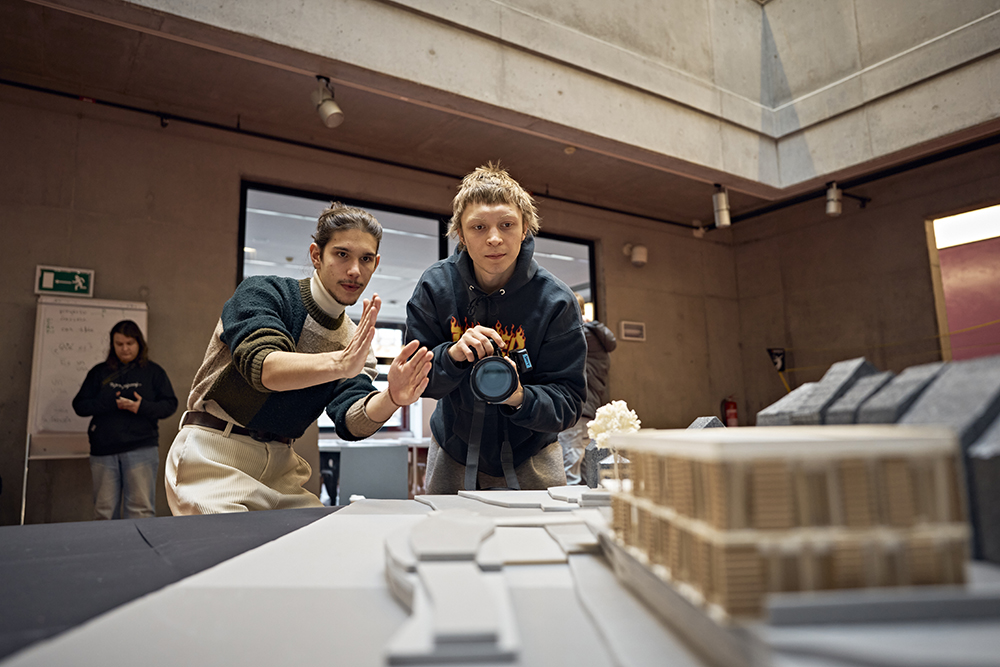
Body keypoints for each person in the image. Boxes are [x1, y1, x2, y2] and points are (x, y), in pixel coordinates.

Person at [165, 203, 432, 514]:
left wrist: (392, 398)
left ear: (376, 263)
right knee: (231, 544)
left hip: (283, 466)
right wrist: (339, 363)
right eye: (342, 254)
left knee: (321, 541)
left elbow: (351, 421)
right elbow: (265, 368)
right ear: (316, 255)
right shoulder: (264, 293)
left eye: (366, 259)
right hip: (215, 452)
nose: (354, 270)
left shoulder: (355, 341)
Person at [406, 163, 587, 493]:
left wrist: (519, 396)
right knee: (444, 528)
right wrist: (452, 356)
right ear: (461, 235)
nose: (493, 238)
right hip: (452, 452)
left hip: (532, 454)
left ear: (525, 228)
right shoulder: (436, 286)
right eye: (478, 227)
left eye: (507, 224)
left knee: (538, 530)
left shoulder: (556, 300)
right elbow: (415, 381)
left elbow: (570, 403)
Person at [72, 320, 178, 519]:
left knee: (141, 510)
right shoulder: (99, 372)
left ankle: (139, 542)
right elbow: (79, 405)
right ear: (112, 345)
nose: (125, 348)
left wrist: (141, 407)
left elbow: (170, 405)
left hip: (141, 447)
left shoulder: (153, 372)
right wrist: (109, 403)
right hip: (104, 449)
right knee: (104, 511)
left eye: (130, 343)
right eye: (119, 344)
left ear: (139, 343)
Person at [557, 293, 617, 485]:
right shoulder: (596, 336)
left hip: (576, 408)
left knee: (571, 466)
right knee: (583, 467)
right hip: (589, 409)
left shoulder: (580, 334)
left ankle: (570, 504)